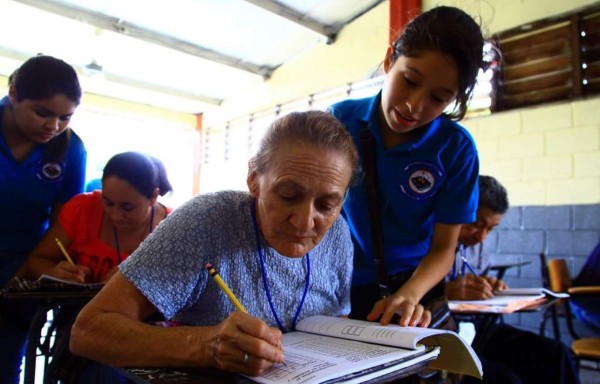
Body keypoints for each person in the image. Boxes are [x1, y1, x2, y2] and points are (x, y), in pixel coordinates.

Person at [72, 111, 417, 377]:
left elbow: (332, 329)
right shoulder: (207, 221)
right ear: (254, 178)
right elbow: (90, 331)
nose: (304, 222)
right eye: (287, 195)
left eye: (327, 204)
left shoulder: (338, 234)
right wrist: (205, 345)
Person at [328, 6, 486, 326]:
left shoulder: (456, 149)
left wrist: (410, 294)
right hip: (336, 284)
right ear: (389, 61)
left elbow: (444, 248)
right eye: (410, 80)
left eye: (439, 98)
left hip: (414, 291)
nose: (415, 105)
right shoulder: (339, 121)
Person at [0, 55, 86, 384]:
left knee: (6, 361)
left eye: (65, 117)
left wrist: (52, 268)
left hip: (21, 271)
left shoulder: (70, 151)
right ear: (14, 94)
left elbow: (63, 226)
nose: (53, 126)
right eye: (42, 113)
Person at [447, 175, 580, 384]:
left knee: (556, 355)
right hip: (440, 335)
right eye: (476, 224)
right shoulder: (426, 243)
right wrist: (445, 291)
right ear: (458, 210)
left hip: (474, 330)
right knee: (506, 379)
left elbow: (475, 280)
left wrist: (488, 286)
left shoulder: (477, 247)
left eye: (490, 228)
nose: (481, 236)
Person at [19, 151, 173, 283]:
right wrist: (55, 272)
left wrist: (136, 284)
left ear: (153, 196)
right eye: (108, 202)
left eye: (127, 207)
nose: (115, 215)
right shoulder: (83, 208)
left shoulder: (175, 229)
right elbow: (35, 261)